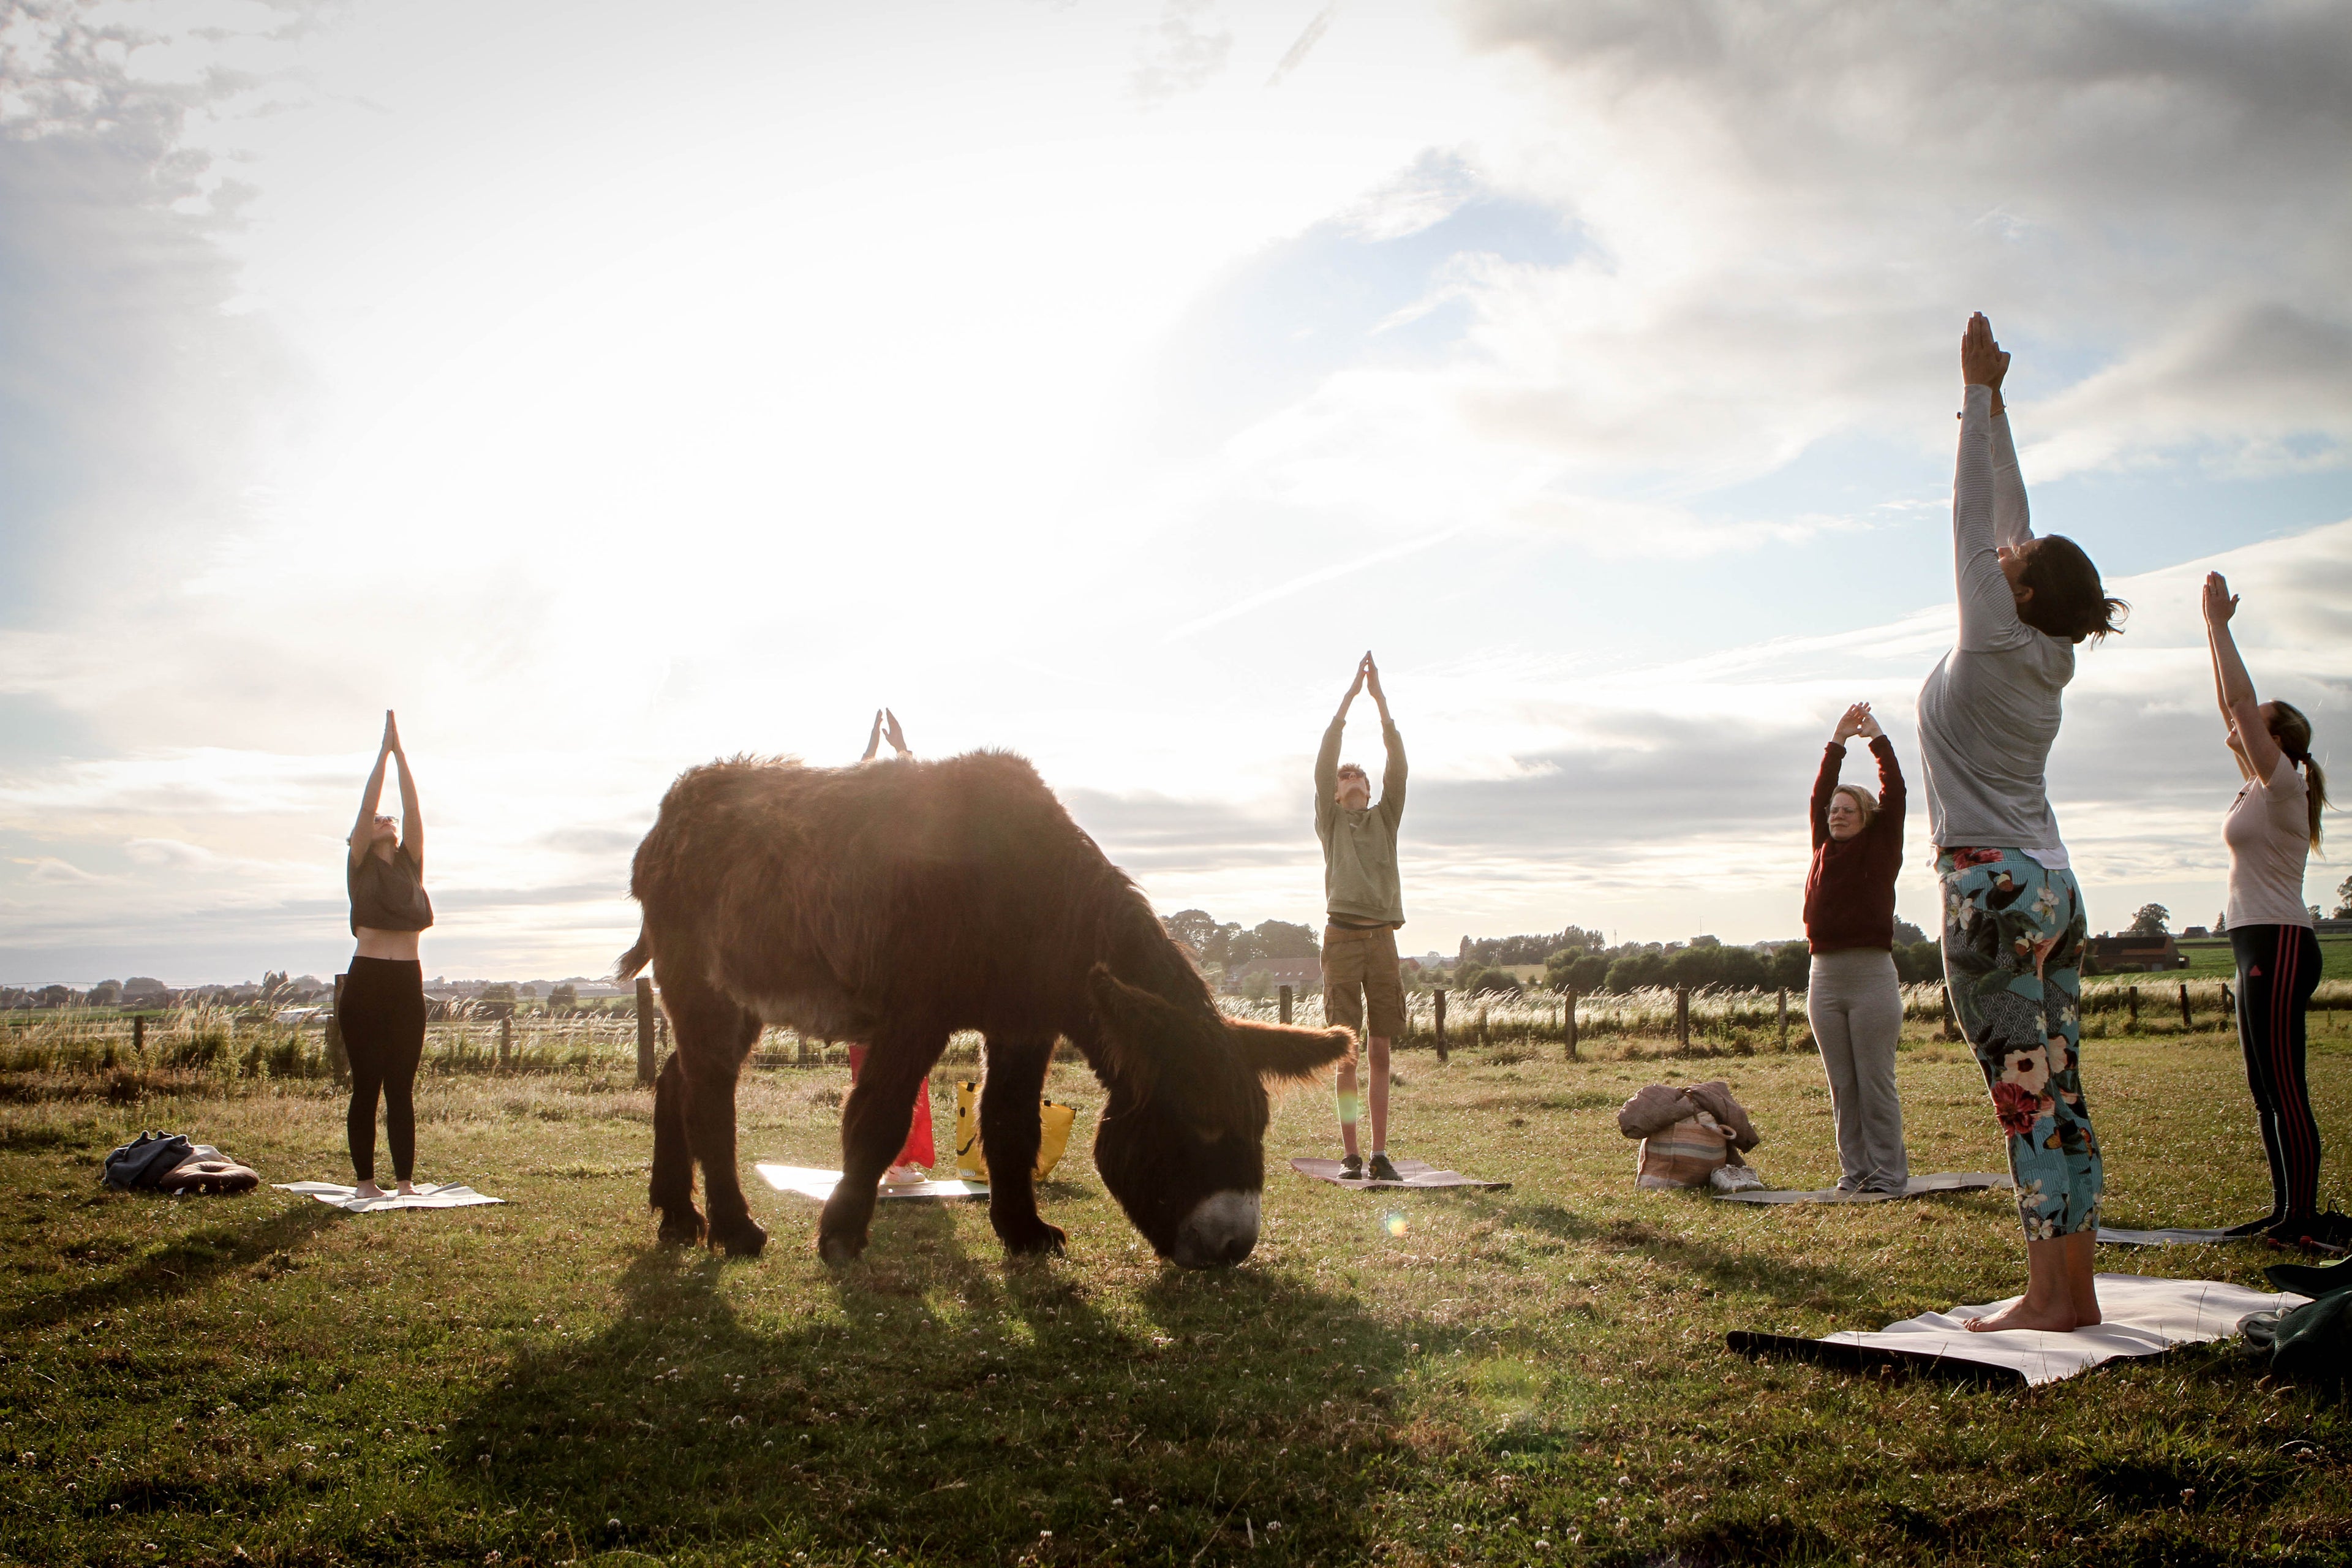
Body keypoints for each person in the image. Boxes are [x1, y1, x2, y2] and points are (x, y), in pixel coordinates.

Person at [1917, 314, 2126, 1334]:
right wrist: (1998, 402)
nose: (2002, 552)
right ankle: (2068, 1292)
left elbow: (1971, 514)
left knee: (2024, 1097)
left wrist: (1968, 398)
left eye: (2017, 559)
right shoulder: (2046, 646)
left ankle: (2052, 1301)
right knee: (2062, 1094)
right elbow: (2012, 518)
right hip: (2054, 888)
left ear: (2026, 589)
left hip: (1990, 890)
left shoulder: (1994, 640)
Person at [2203, 572, 2340, 1248]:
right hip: (2254, 945)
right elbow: (2231, 705)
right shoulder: (2256, 789)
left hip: (2282, 944)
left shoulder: (2282, 784)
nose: (2239, 727)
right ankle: (2286, 1210)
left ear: (2277, 738)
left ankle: (2305, 1220)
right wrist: (2209, 628)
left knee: (2287, 1085)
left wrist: (2220, 624)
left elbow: (2238, 697)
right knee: (2265, 1087)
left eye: (2255, 725)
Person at [1803, 700, 1910, 1194]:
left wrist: (1876, 739)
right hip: (1823, 978)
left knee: (1875, 1083)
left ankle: (1888, 1176)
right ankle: (1856, 1174)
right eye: (1833, 811)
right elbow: (1819, 792)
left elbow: (1897, 790)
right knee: (1843, 1086)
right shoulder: (1822, 846)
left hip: (1870, 977)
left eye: (1847, 810)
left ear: (1866, 816)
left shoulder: (1881, 844)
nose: (1837, 815)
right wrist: (1836, 741)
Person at [1315, 653, 1408, 1183]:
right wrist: (1349, 698)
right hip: (1343, 938)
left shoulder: (1385, 818)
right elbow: (1325, 758)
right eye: (1343, 776)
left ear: (1370, 792)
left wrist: (1381, 704)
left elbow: (1399, 764)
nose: (1351, 778)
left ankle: (1379, 1152)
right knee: (1346, 1051)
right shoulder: (1330, 823)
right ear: (1332, 792)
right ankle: (1350, 1155)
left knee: (1380, 1049)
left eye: (1359, 776)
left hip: (1383, 942)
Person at [343, 710, 432, 1200]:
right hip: (367, 983)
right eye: (379, 819)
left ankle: (404, 1183)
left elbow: (414, 812)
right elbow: (365, 810)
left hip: (407, 986)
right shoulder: (359, 867)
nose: (386, 818)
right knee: (367, 1085)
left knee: (401, 1087)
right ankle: (364, 1184)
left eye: (388, 819)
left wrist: (403, 758)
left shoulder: (410, 866)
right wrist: (382, 754)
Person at [854, 709, 936, 1187]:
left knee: (872, 1064)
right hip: (891, 966)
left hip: (864, 963)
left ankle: (886, 1159)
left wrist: (878, 753)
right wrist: (899, 751)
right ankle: (895, 1162)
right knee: (901, 1064)